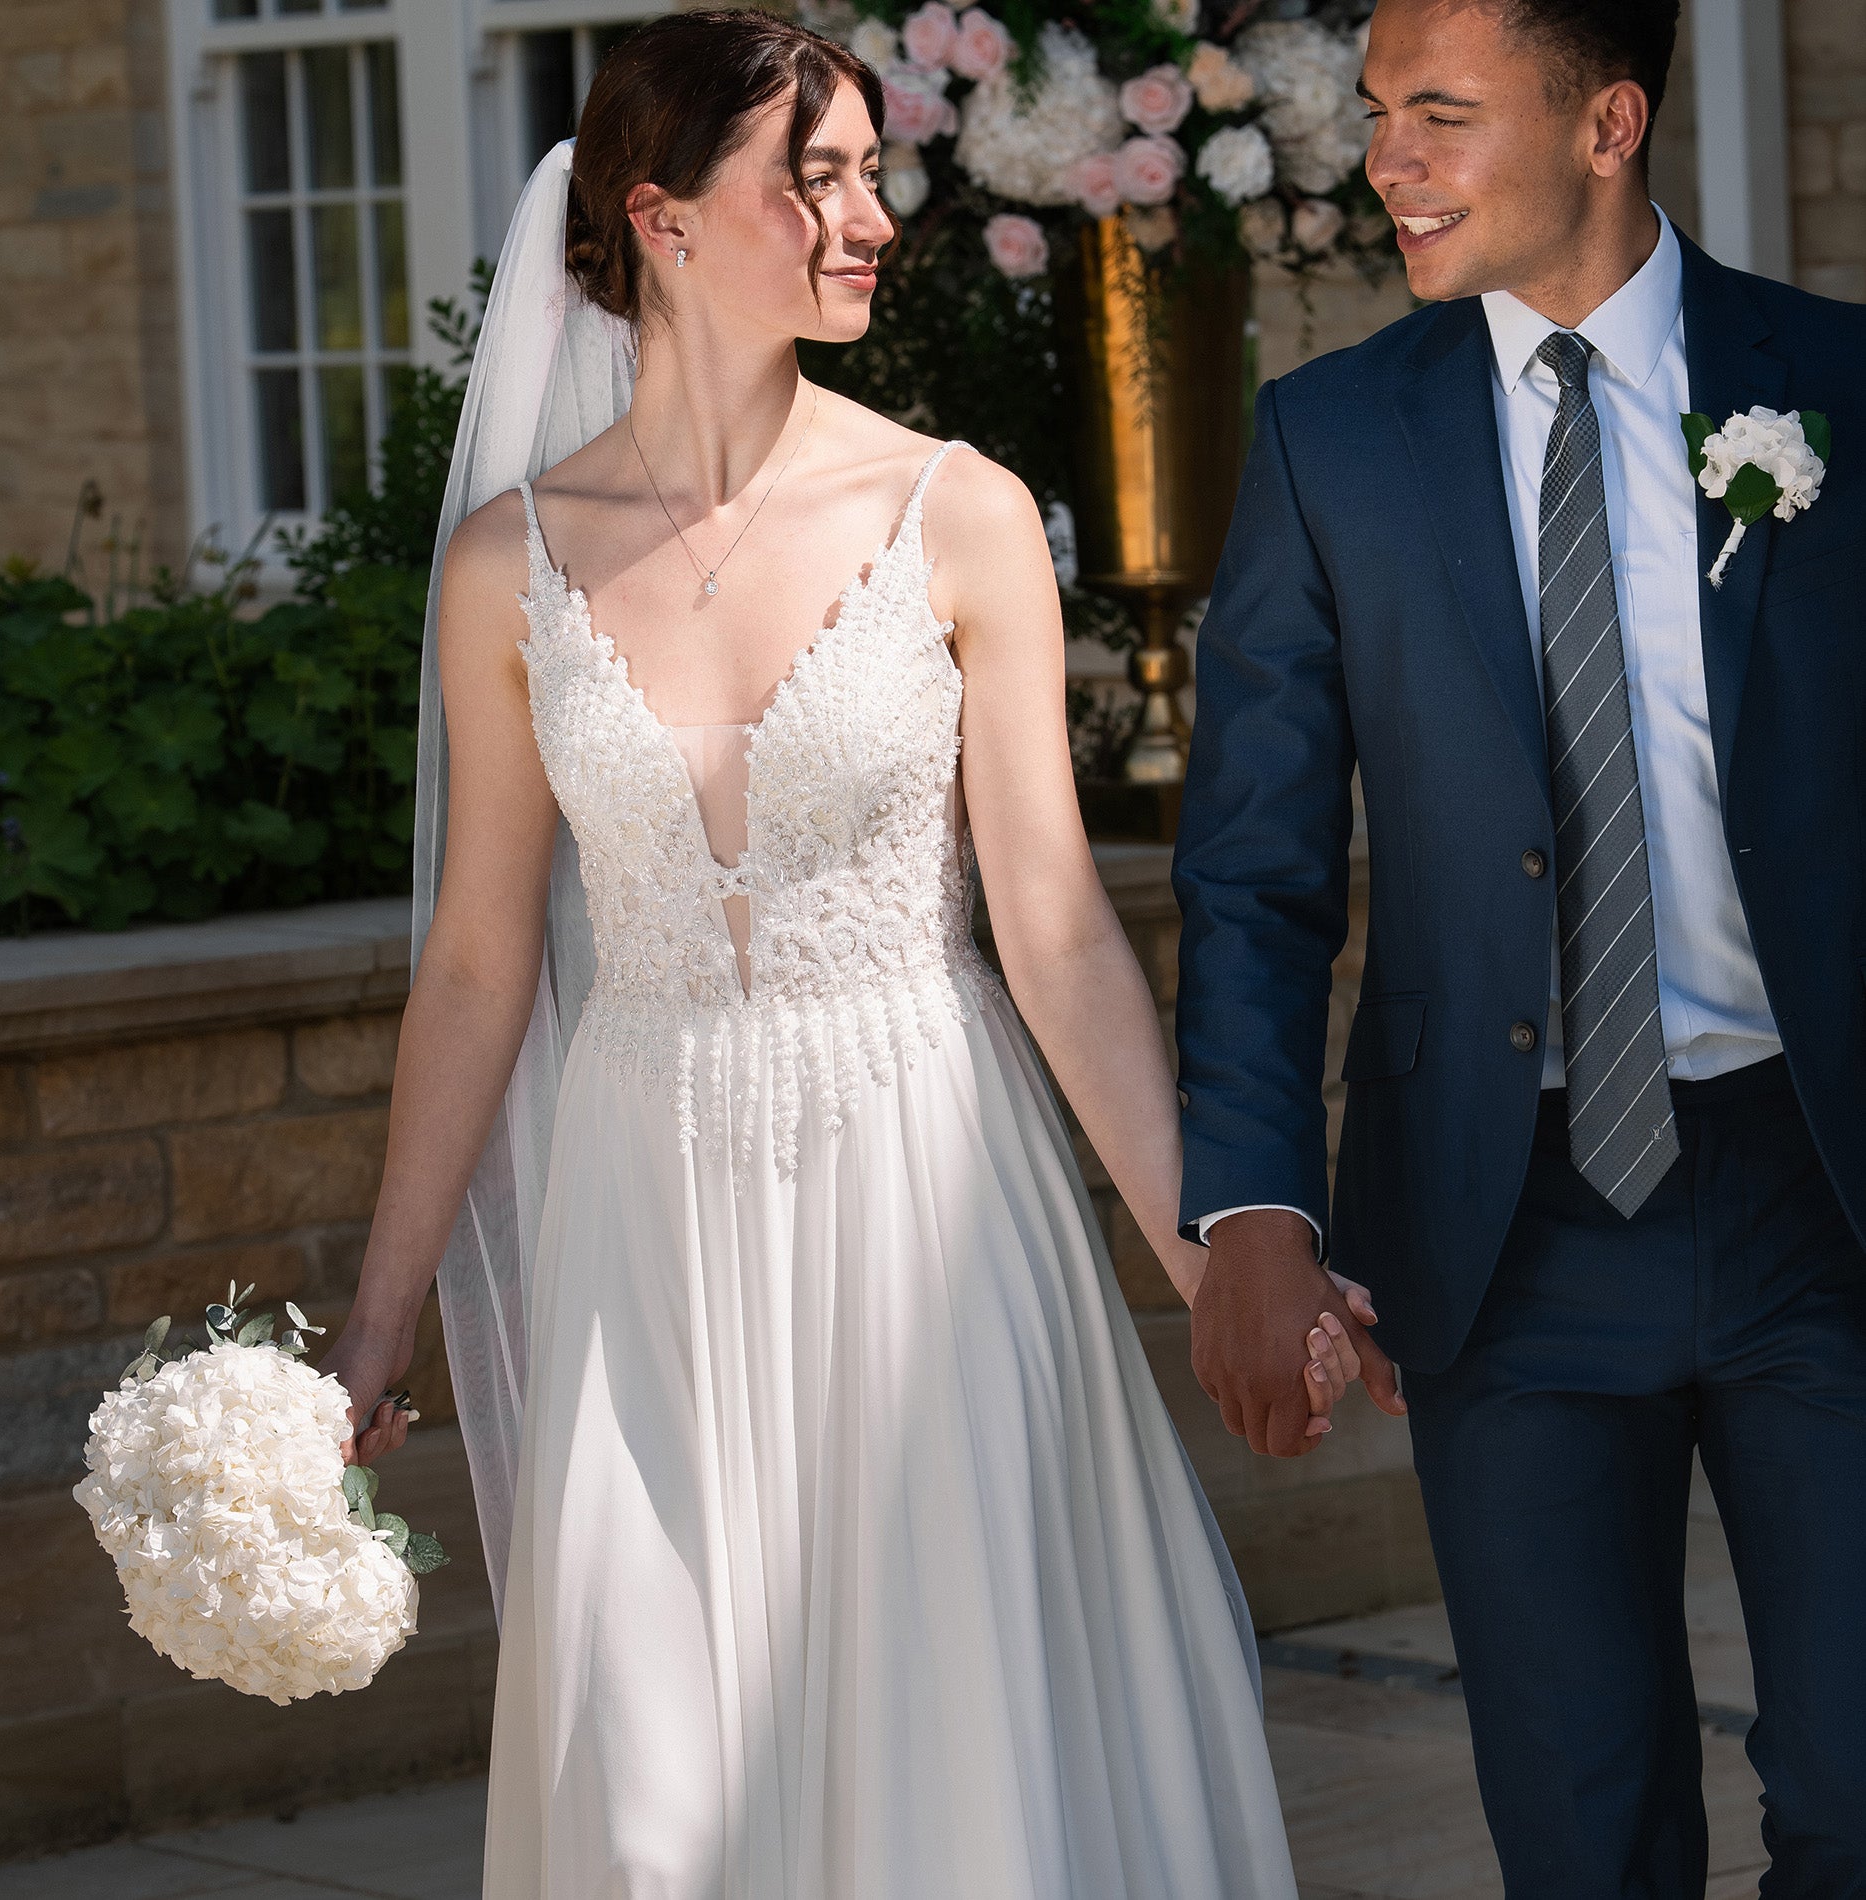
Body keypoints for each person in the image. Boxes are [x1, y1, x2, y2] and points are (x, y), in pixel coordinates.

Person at [318, 12, 1345, 1896]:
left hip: (921, 1201)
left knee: (948, 1757)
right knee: (651, 1765)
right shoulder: (504, 566)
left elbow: (1054, 930)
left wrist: (1215, 1248)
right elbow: (476, 964)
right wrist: (384, 1316)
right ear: (666, 218)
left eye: (876, 173)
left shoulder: (956, 513)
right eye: (821, 178)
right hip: (643, 1223)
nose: (872, 216)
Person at [1175, 0, 1866, 1892]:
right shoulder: (1334, 442)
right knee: (1582, 1833)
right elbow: (1255, 868)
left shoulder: (1839, 387)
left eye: (1443, 116)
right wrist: (1251, 1208)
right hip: (1507, 1224)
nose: (1388, 159)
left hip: (1826, 1191)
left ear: (1608, 123)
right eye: (1380, 112)